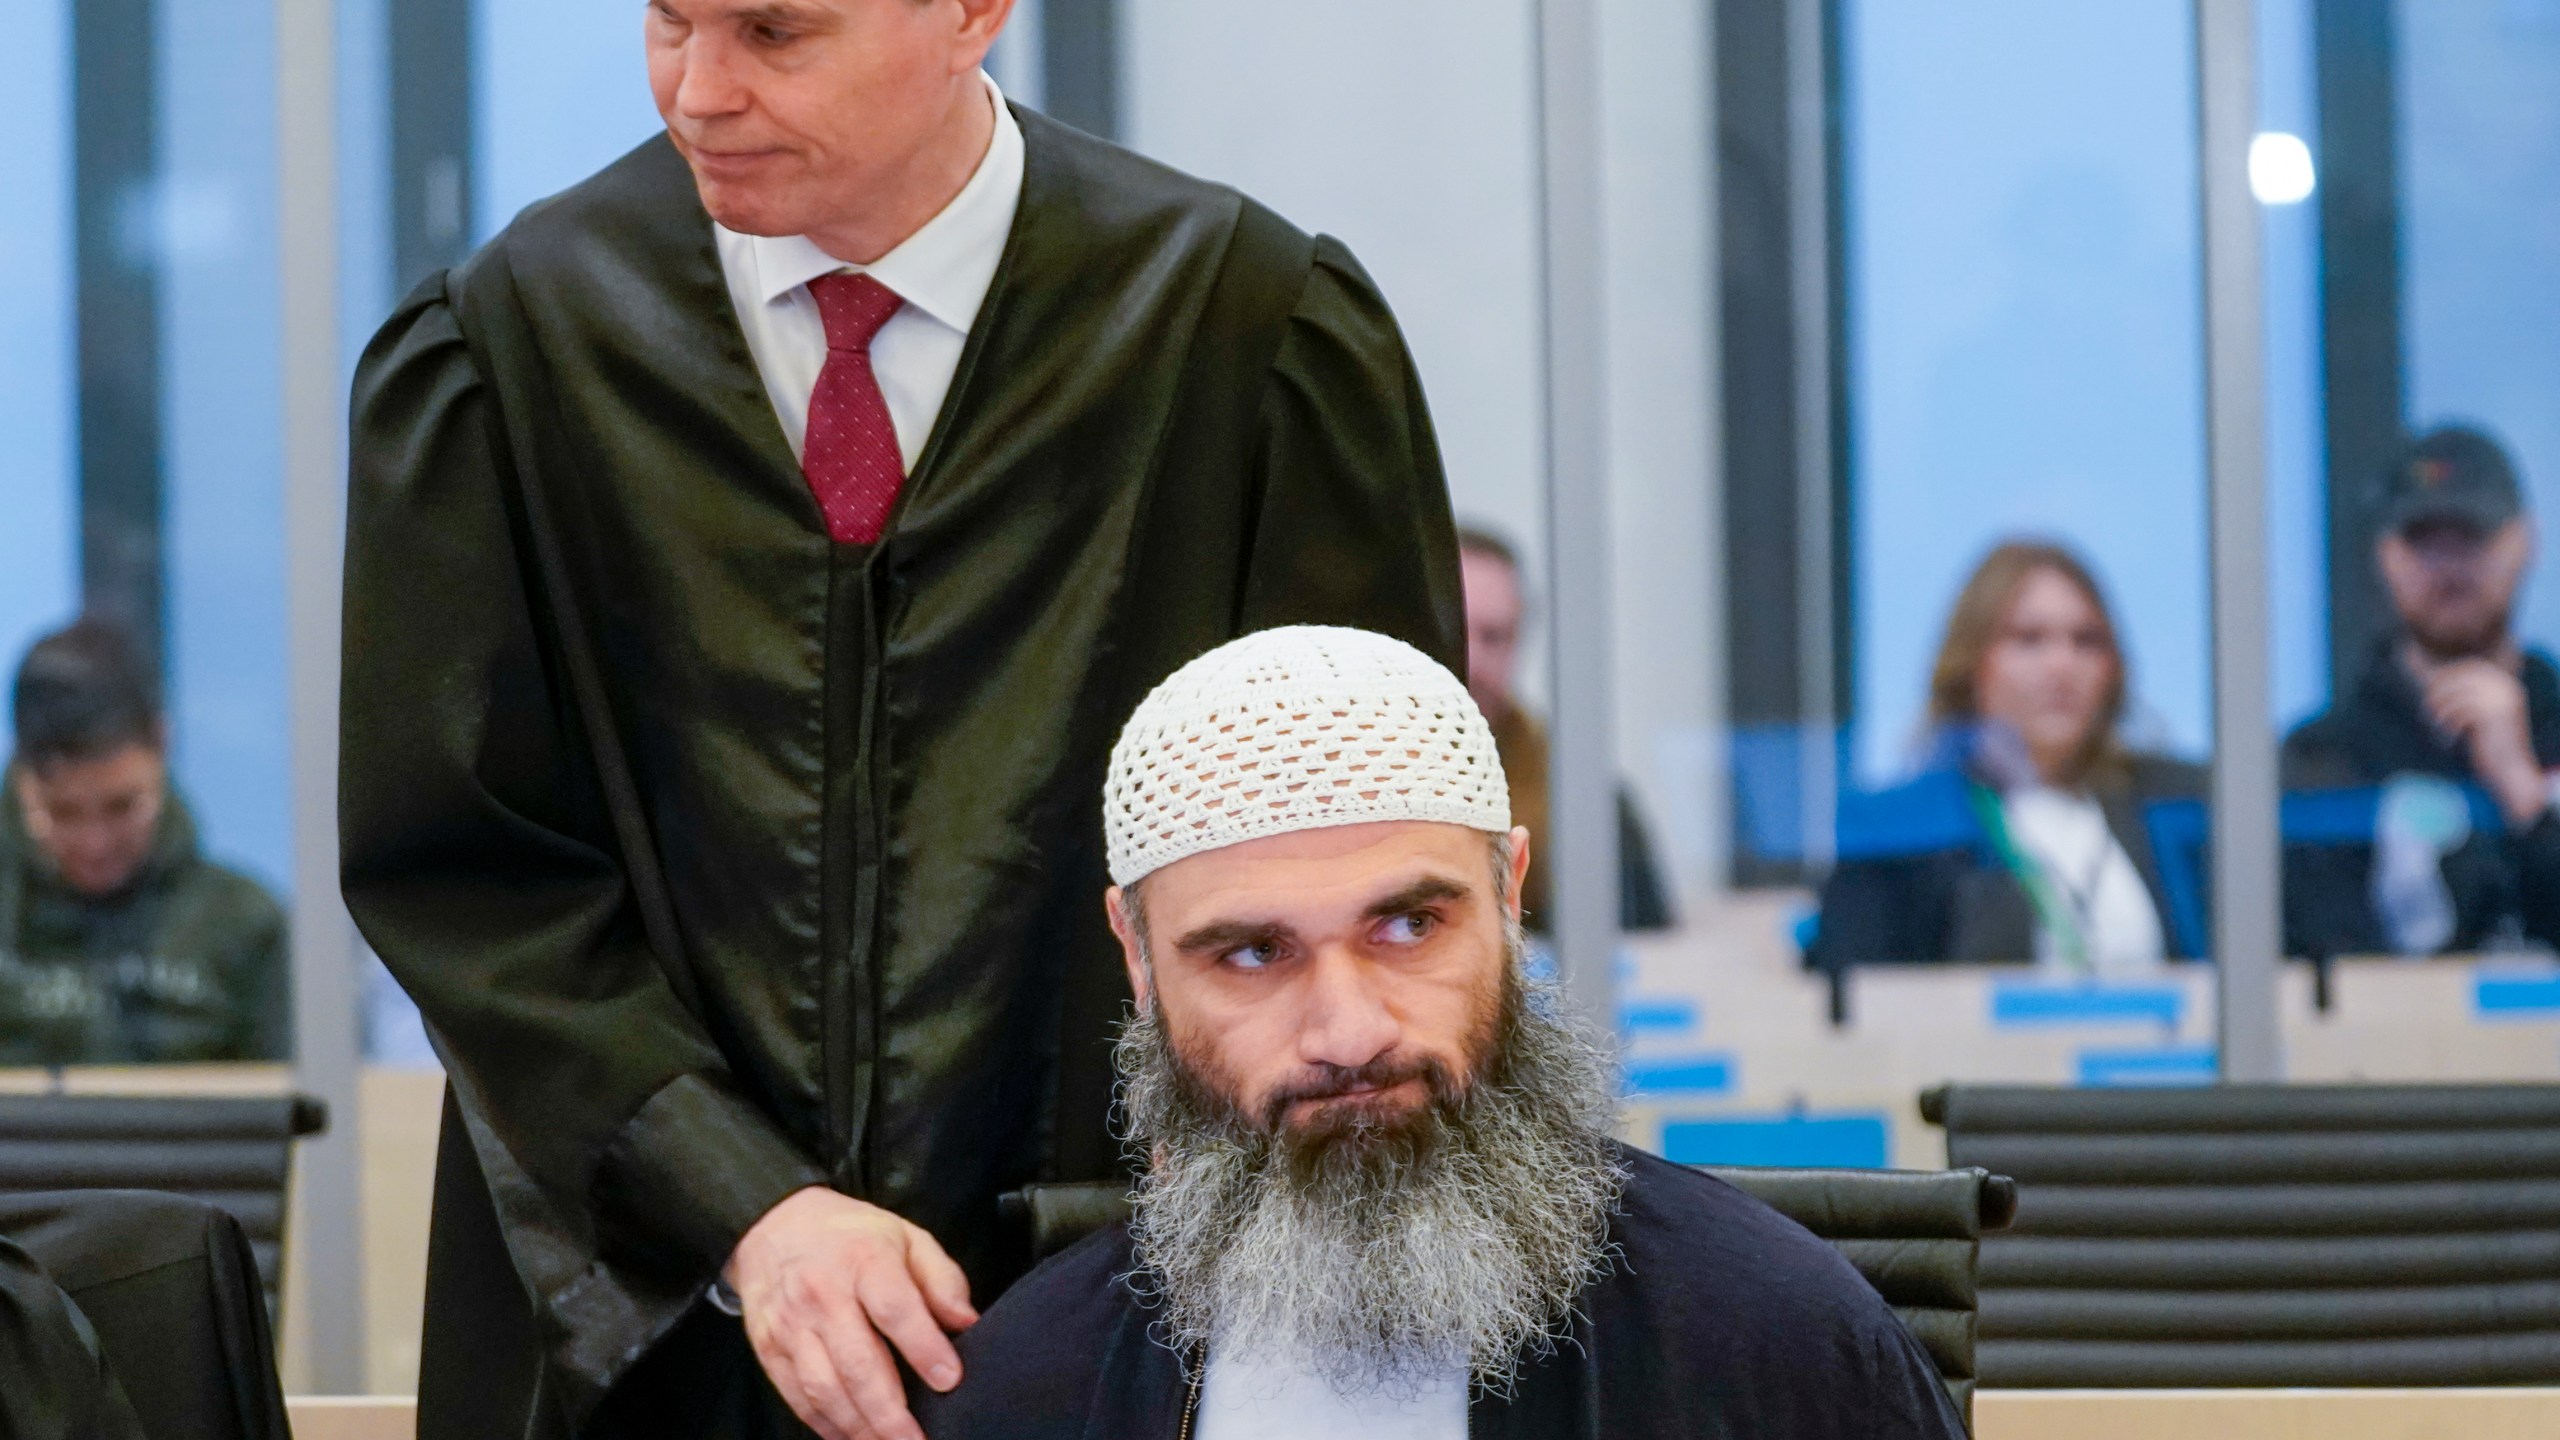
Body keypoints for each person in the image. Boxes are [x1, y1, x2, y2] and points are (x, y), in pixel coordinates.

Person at [342, 3, 1463, 1437]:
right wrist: (745, 1204)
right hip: (644, 1324)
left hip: (1126, 1311)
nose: (701, 91)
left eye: (772, 30)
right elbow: (466, 879)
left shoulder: (1240, 332)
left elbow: (1363, 849)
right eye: (669, 20)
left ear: (972, 14)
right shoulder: (511, 352)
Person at [916, 626, 1966, 1439]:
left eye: (1409, 926)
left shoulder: (1772, 1341)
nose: (1348, 1030)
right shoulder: (1028, 1386)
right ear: (1138, 960)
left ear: (1510, 897)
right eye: (1250, 953)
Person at [1810, 542, 2203, 972]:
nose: (2062, 665)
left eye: (2086, 641)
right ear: (1973, 662)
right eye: (2029, 639)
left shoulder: (2175, 808)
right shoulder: (1905, 828)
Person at [2284, 426, 2560, 956]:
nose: (2449, 567)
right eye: (2424, 541)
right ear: (2386, 555)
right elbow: (2322, 973)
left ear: (2525, 542)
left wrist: (2527, 798)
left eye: (2472, 537)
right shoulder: (2320, 760)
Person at [0, 620, 288, 1066]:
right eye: (63, 813)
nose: (95, 844)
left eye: (121, 807)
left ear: (162, 743)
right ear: (21, 779)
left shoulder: (247, 928)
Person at [1456, 526, 1674, 932]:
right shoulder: (1349, 777)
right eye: (1456, 633)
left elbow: (1648, 954)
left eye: (1495, 637)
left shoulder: (1583, 795)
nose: (1474, 661)